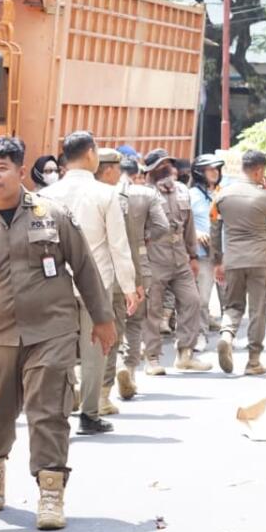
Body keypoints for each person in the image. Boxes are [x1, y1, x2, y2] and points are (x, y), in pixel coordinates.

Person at [0, 136, 115, 531]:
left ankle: (50, 492)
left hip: (51, 330)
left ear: (19, 170)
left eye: (1, 169)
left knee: (50, 412)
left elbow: (84, 267)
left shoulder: (53, 214)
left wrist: (102, 318)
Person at [39, 131, 139, 430]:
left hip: (55, 283)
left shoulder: (45, 195)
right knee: (96, 347)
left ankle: (61, 407)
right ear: (91, 154)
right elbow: (118, 246)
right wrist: (130, 287)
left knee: (58, 349)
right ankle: (90, 413)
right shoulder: (106, 194)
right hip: (97, 283)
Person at [96, 149, 169, 403]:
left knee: (87, 329)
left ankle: (83, 381)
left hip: (86, 273)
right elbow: (159, 228)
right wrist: (136, 279)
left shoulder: (72, 194)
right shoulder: (125, 198)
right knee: (130, 324)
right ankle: (126, 372)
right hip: (123, 270)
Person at [212, 149, 266, 375]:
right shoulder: (264, 196)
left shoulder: (222, 195)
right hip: (259, 261)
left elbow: (215, 228)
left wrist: (218, 260)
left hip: (232, 259)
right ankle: (253, 361)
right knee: (258, 310)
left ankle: (227, 335)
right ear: (260, 171)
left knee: (233, 306)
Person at [142, 149, 210, 374]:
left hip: (180, 256)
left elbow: (189, 226)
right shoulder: (143, 194)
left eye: (168, 164)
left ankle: (185, 354)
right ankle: (152, 358)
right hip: (155, 257)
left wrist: (193, 255)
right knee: (152, 309)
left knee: (192, 300)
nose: (165, 169)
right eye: (160, 166)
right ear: (149, 171)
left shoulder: (182, 191)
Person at [190, 154, 226, 332]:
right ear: (200, 171)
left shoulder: (224, 192)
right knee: (202, 299)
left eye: (216, 169)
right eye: (210, 169)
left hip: (226, 254)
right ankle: (201, 335)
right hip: (203, 255)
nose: (215, 172)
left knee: (229, 298)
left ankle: (228, 335)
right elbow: (182, 223)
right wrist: (196, 233)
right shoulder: (191, 195)